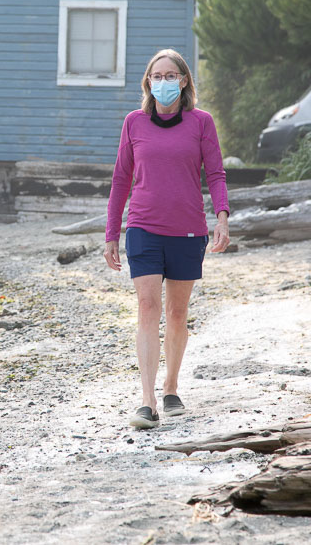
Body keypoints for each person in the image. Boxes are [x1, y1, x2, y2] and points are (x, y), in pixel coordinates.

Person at [103, 48, 230, 429]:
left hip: (188, 230)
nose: (162, 82)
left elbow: (217, 175)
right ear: (148, 82)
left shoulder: (202, 123)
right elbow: (121, 179)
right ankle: (147, 400)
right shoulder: (134, 123)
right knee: (146, 307)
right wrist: (112, 233)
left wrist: (221, 217)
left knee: (176, 313)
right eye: (156, 76)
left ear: (184, 80)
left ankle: (171, 387)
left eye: (169, 76)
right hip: (142, 227)